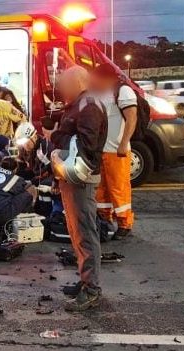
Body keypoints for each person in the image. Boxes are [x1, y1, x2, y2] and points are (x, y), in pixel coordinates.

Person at [47, 66, 108, 312]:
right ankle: (86, 281)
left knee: (84, 233)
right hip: (72, 177)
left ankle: (91, 288)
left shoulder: (88, 106)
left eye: (64, 84)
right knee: (77, 232)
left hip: (81, 179)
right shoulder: (80, 104)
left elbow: (86, 145)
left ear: (77, 83)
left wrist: (54, 136)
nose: (61, 89)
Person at [91, 63, 137, 238]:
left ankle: (125, 223)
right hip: (100, 150)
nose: (95, 82)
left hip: (116, 151)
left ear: (107, 78)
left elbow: (132, 118)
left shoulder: (123, 91)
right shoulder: (99, 93)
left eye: (97, 79)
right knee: (101, 189)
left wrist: (124, 143)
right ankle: (105, 220)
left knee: (118, 188)